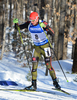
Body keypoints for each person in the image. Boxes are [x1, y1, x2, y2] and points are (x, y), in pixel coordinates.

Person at [14, 12, 61, 90]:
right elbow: (18, 28)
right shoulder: (29, 24)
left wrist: (46, 27)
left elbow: (52, 33)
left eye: (33, 20)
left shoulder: (43, 23)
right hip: (36, 48)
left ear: (37, 18)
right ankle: (33, 85)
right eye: (31, 20)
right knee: (34, 67)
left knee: (49, 66)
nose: (32, 21)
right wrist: (16, 24)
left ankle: (56, 83)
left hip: (45, 47)